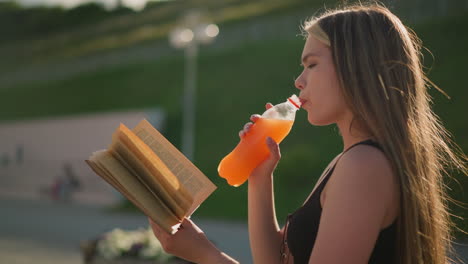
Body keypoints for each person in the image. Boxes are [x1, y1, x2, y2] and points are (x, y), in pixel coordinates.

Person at [149, 3, 467, 264]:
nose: (299, 81)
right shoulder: (351, 160)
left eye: (311, 65)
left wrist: (205, 254)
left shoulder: (363, 167)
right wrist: (260, 177)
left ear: (356, 66)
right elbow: (276, 260)